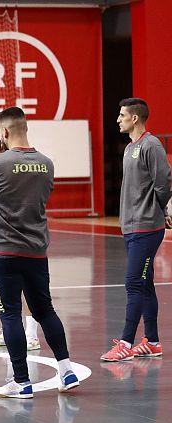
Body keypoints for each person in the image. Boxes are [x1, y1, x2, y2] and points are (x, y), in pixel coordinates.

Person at [0, 106, 80, 398]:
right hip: (35, 250)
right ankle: (66, 370)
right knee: (45, 310)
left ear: (4, 132)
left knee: (9, 315)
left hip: (3, 251)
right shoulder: (46, 163)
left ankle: (21, 381)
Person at [101, 98, 172, 362]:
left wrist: (164, 211)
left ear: (134, 118)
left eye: (122, 115)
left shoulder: (151, 145)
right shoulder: (131, 147)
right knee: (145, 285)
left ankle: (125, 343)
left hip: (146, 227)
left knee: (134, 284)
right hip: (131, 226)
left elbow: (163, 182)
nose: (118, 119)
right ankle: (152, 342)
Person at [0, 112, 41, 351]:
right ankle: (10, 332)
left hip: (20, 238)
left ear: (3, 130)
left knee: (26, 289)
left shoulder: (14, 160)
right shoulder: (0, 158)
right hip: (1, 236)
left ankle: (32, 335)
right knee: (6, 290)